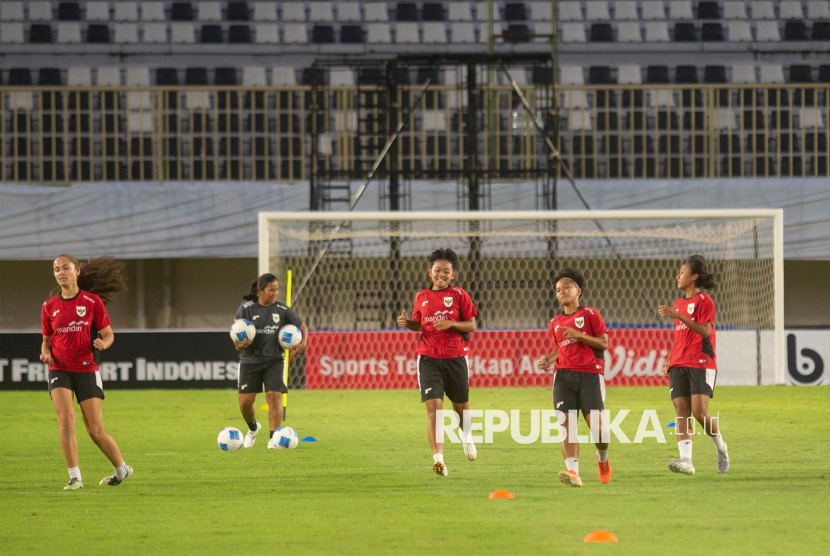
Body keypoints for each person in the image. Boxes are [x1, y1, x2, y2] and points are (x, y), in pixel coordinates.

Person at [40, 254, 132, 490]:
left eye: (65, 268)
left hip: (86, 368)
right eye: (56, 269)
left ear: (77, 271)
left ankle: (122, 469)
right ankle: (75, 477)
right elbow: (46, 340)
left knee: (95, 430)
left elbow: (108, 334)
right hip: (59, 367)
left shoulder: (92, 302)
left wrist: (104, 343)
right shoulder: (49, 306)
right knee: (66, 420)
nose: (60, 272)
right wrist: (46, 352)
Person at [397, 248, 477, 476]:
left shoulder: (460, 295)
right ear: (430, 272)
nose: (441, 274)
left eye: (446, 271)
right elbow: (420, 326)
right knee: (435, 410)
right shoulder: (421, 297)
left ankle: (467, 437)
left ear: (453, 275)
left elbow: (471, 325)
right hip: (429, 358)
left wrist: (451, 324)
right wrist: (408, 322)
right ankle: (438, 460)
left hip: (456, 358)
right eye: (437, 270)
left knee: (461, 407)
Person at [537, 268, 611, 488]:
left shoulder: (589, 314)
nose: (562, 292)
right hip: (563, 378)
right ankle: (573, 472)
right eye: (558, 289)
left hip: (590, 375)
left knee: (598, 430)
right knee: (567, 427)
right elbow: (560, 348)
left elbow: (604, 343)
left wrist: (580, 335)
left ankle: (603, 459)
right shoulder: (554, 323)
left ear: (578, 290)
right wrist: (548, 361)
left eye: (567, 287)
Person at [658, 255, 729, 475]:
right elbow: (681, 336)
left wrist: (677, 314)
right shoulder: (679, 303)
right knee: (681, 411)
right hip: (679, 362)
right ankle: (686, 461)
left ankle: (721, 448)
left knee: (699, 413)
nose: (678, 275)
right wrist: (670, 358)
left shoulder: (704, 301)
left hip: (701, 361)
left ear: (694, 276)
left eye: (682, 271)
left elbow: (704, 331)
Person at [233, 273, 307, 449]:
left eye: (277, 290)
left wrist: (303, 343)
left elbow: (302, 327)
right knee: (245, 403)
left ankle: (274, 439)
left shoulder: (281, 310)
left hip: (274, 360)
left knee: (274, 397)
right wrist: (240, 346)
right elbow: (237, 336)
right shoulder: (246, 308)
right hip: (250, 361)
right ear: (260, 291)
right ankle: (253, 429)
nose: (275, 293)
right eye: (271, 290)